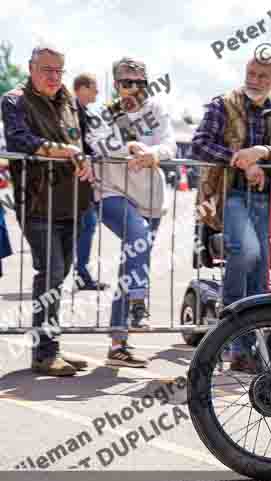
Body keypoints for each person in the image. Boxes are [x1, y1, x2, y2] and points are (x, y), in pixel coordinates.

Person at [192, 57, 271, 373]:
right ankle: (229, 333)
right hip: (230, 195)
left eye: (263, 75)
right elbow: (199, 146)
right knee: (247, 252)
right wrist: (239, 160)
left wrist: (262, 154)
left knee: (258, 274)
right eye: (251, 73)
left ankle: (247, 350)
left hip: (265, 201)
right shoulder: (221, 105)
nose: (255, 79)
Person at [1, 44, 93, 376]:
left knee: (60, 275)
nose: (54, 76)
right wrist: (64, 150)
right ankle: (44, 352)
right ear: (31, 68)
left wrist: (90, 158)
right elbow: (19, 141)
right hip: (38, 204)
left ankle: (51, 345)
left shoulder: (69, 100)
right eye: (46, 70)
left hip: (73, 203)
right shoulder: (14, 100)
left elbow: (88, 139)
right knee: (51, 272)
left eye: (59, 70)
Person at [85, 57, 176, 367]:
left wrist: (153, 153)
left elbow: (170, 145)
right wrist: (132, 149)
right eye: (127, 82)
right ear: (116, 85)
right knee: (136, 235)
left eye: (140, 82)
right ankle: (139, 303)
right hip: (111, 193)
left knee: (131, 264)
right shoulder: (103, 113)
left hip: (151, 197)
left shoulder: (157, 109)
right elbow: (96, 143)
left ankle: (118, 343)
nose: (134, 88)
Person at [72, 72, 107, 291]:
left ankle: (80, 272)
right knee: (86, 225)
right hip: (76, 179)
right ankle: (80, 273)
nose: (97, 92)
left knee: (85, 226)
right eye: (94, 88)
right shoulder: (72, 111)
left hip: (82, 178)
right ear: (83, 87)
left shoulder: (82, 111)